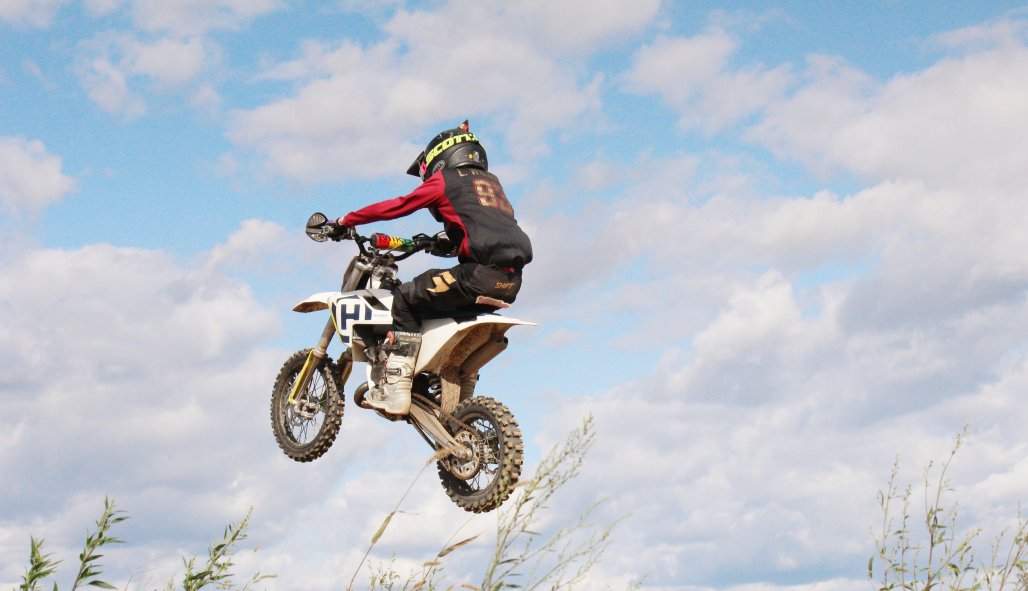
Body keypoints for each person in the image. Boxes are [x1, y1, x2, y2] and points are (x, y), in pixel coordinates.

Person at [334, 121, 532, 416]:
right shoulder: (491, 186)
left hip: (475, 277)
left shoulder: (445, 180)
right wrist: (441, 242)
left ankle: (397, 386)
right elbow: (478, 228)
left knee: (404, 298)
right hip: (510, 282)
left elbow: (397, 205)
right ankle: (460, 393)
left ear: (440, 158)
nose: (425, 176)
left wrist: (345, 221)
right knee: (436, 306)